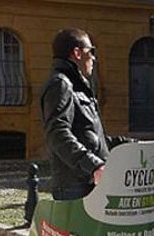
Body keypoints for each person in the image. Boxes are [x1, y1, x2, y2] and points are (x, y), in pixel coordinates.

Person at [41, 28, 131, 200]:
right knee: (76, 228)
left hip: (88, 181)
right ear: (77, 53)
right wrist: (94, 166)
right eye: (91, 51)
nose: (94, 58)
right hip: (75, 185)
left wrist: (132, 144)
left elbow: (91, 137)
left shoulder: (78, 86)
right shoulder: (61, 84)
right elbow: (57, 133)